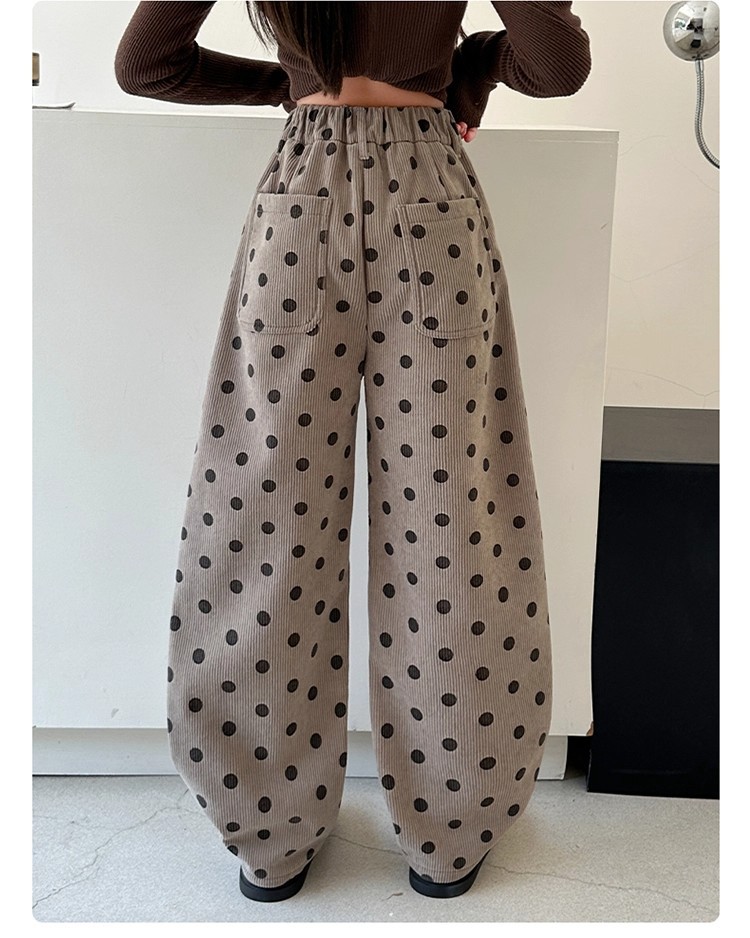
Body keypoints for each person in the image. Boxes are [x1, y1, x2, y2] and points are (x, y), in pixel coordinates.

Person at [115, 0, 591, 903]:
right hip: (431, 204)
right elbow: (556, 65)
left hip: (300, 203)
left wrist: (295, 84)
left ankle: (266, 833)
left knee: (263, 521)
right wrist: (473, 64)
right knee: (451, 526)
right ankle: (449, 832)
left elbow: (147, 64)